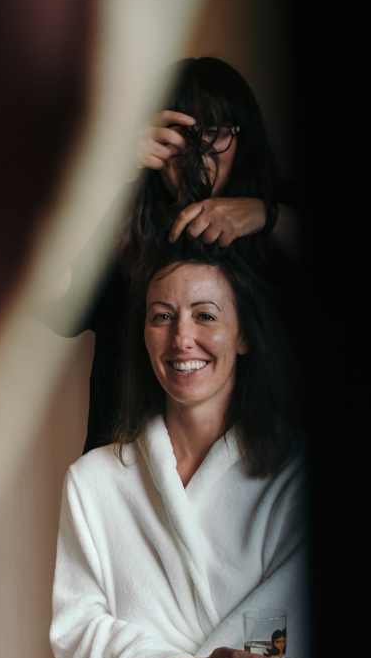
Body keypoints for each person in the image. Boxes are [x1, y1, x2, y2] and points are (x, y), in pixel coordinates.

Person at [36, 250, 309, 658]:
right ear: (143, 338)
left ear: (243, 337)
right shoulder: (96, 479)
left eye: (205, 315)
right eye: (161, 316)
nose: (182, 336)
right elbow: (79, 631)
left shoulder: (292, 478)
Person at [41, 57, 297, 455]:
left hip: (266, 476)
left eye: (214, 133)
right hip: (128, 475)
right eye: (179, 136)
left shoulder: (276, 224)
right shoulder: (121, 233)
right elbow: (45, 292)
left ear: (243, 139)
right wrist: (110, 168)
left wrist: (267, 214)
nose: (196, 155)